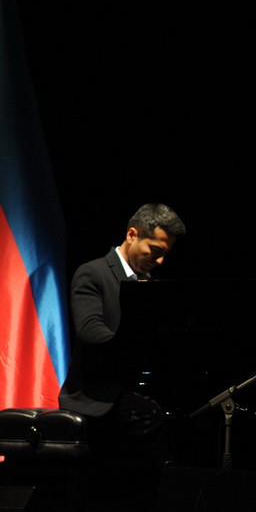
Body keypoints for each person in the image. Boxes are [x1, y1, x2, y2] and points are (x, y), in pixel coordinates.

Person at [58, 203, 186, 508]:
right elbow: (89, 331)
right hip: (95, 396)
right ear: (132, 235)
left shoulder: (148, 285)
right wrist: (140, 353)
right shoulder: (93, 272)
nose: (160, 259)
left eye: (166, 252)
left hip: (130, 393)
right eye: (154, 249)